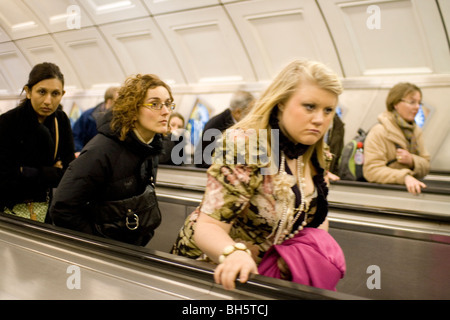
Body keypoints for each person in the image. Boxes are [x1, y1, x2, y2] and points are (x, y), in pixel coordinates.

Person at [172, 59, 346, 291]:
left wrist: (308, 251)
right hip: (214, 269)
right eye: (309, 106)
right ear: (281, 103)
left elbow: (315, 214)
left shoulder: (316, 153)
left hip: (267, 275)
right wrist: (234, 253)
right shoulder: (247, 147)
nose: (319, 119)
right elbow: (208, 226)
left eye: (328, 110)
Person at [50, 74, 174, 246]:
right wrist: (98, 246)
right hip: (104, 253)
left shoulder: (151, 148)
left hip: (133, 247)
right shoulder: (101, 151)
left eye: (168, 103)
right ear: (133, 109)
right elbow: (62, 208)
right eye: (155, 104)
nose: (166, 111)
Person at [0, 62, 75, 222]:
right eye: (42, 92)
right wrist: (50, 172)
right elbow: (4, 176)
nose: (48, 101)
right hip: (8, 208)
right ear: (28, 92)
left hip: (45, 207)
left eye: (55, 93)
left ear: (62, 94)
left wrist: (25, 171)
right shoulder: (7, 122)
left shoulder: (60, 121)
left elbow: (69, 172)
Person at [363, 82, 430, 195]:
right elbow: (371, 170)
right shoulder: (380, 131)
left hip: (410, 192)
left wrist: (412, 161)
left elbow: (426, 165)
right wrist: (404, 177)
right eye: (412, 102)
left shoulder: (415, 131)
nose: (417, 107)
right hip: (386, 195)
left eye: (419, 102)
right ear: (396, 104)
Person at [194, 90, 255, 168]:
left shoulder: (239, 125)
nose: (252, 116)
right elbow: (200, 160)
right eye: (249, 112)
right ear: (238, 112)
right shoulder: (216, 125)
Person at [72, 86, 119, 155]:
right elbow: (76, 135)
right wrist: (80, 151)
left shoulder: (120, 118)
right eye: (117, 101)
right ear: (109, 101)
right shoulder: (88, 116)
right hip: (88, 155)